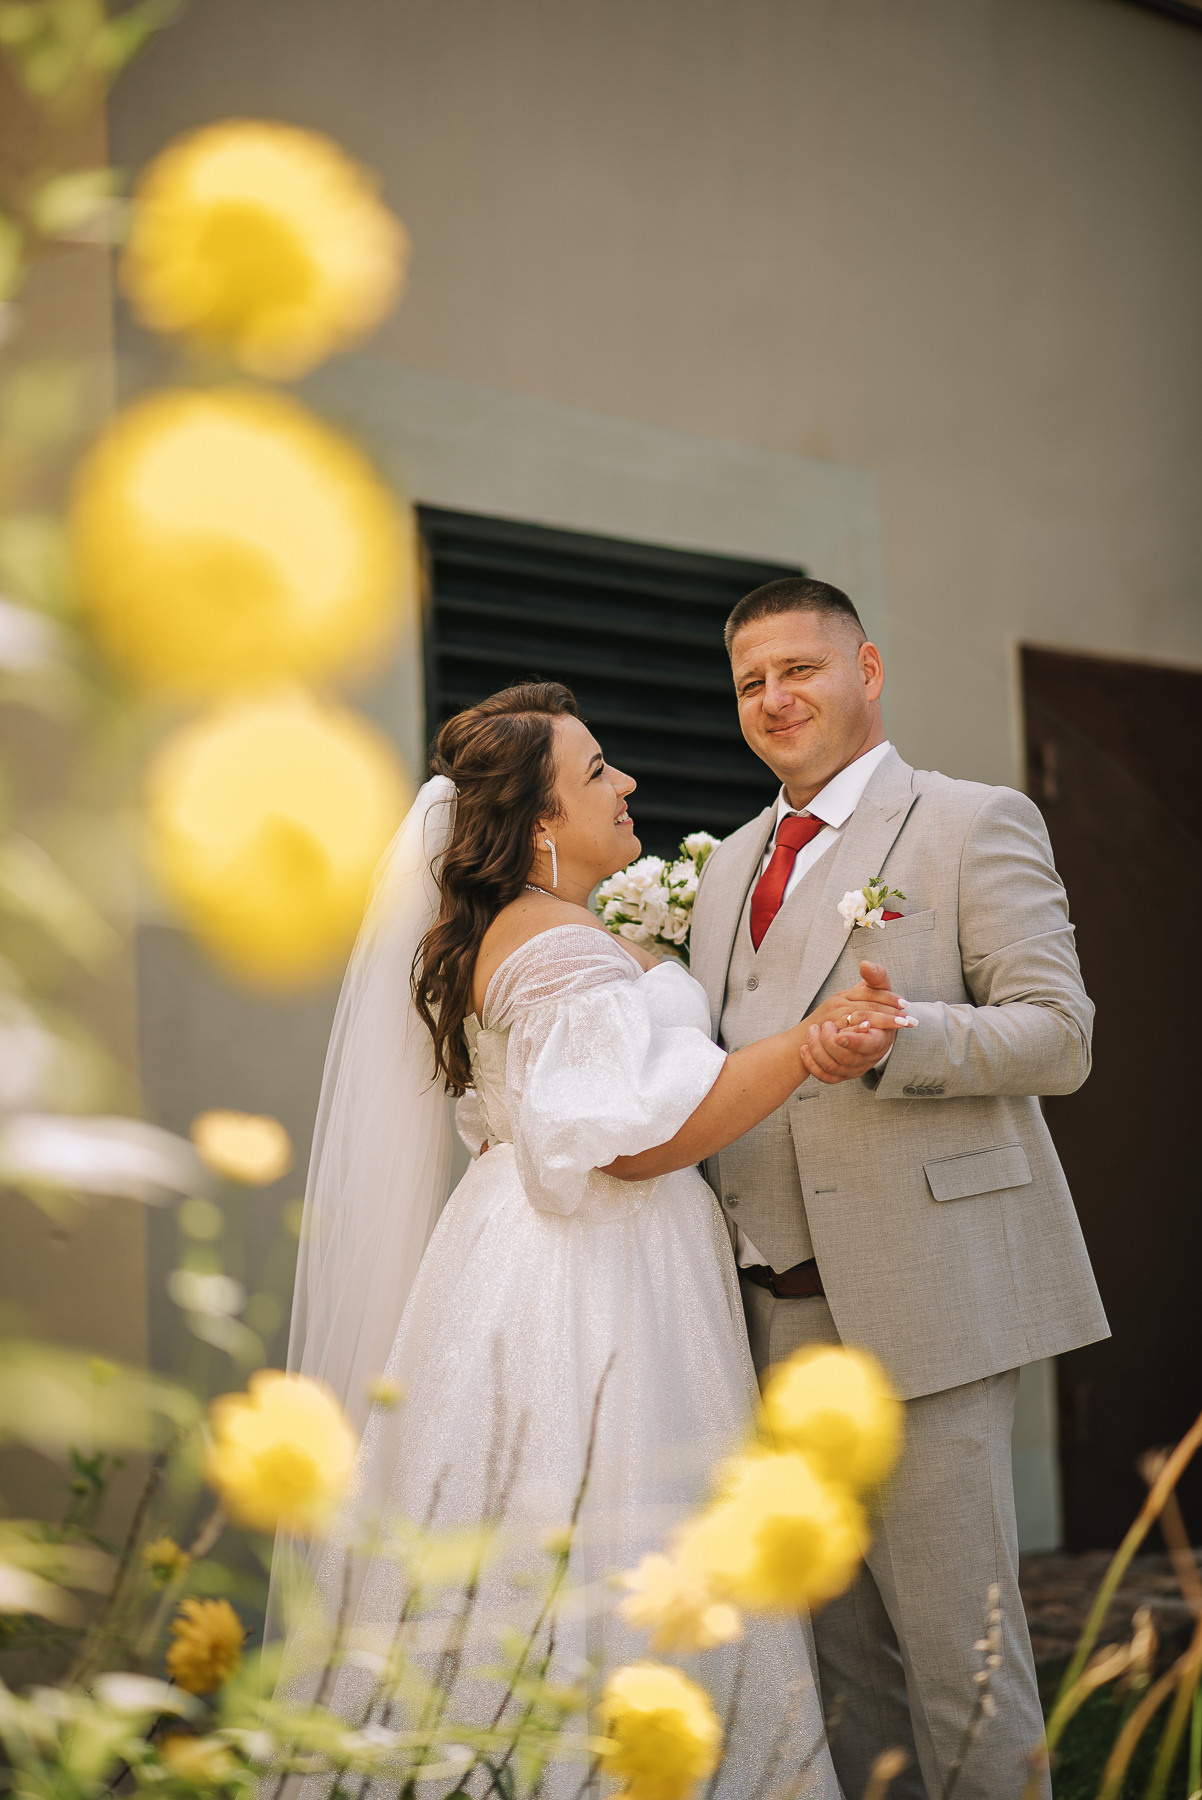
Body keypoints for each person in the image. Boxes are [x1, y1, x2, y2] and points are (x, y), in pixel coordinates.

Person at [280, 679, 914, 1797]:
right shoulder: (563, 948)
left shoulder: (535, 930)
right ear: (536, 823)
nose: (624, 783)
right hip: (592, 1277)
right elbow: (623, 1145)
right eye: (595, 772)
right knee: (617, 1525)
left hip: (528, 1252)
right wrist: (805, 1048)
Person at [689, 578, 1110, 1800]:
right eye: (749, 683)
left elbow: (1058, 1037)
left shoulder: (971, 823)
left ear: (865, 671)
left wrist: (905, 1034)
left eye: (798, 670)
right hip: (766, 1312)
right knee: (836, 1666)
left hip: (927, 1306)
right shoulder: (718, 869)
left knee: (957, 1661)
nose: (773, 700)